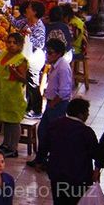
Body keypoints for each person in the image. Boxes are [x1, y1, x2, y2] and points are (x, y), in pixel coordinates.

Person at [41, 98, 100, 205]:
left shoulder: (54, 125)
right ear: (81, 114)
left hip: (57, 175)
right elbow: (96, 153)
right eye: (87, 112)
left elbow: (44, 145)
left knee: (59, 202)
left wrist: (40, 160)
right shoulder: (86, 132)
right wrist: (97, 169)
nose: (88, 115)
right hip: (78, 179)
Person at [28, 38, 74, 171]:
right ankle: (41, 159)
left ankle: (50, 162)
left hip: (57, 105)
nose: (48, 55)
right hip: (52, 104)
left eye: (50, 53)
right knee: (43, 131)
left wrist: (53, 104)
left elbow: (65, 90)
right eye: (47, 52)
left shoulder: (63, 67)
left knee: (52, 133)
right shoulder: (55, 65)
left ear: (58, 54)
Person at [0, 33, 28, 158]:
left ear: (20, 45)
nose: (11, 45)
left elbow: (23, 79)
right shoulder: (3, 55)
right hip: (2, 93)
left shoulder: (21, 60)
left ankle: (13, 148)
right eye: (9, 42)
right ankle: (6, 144)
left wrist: (14, 72)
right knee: (5, 120)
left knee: (13, 122)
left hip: (13, 95)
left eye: (14, 43)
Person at [12, 1, 47, 117]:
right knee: (27, 83)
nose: (26, 10)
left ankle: (37, 110)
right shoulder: (26, 22)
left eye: (29, 8)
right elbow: (16, 23)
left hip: (35, 58)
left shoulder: (39, 27)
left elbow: (40, 44)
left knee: (33, 83)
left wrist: (28, 36)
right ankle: (28, 107)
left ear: (35, 12)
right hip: (26, 56)